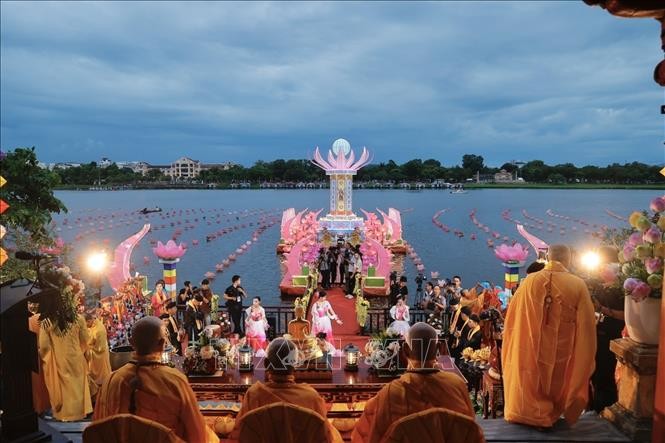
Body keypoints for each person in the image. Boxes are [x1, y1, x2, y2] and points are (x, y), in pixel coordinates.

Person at [502, 244, 596, 429]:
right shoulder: (577, 284)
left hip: (529, 343)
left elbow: (512, 318)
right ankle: (551, 413)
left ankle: (527, 413)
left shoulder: (528, 281)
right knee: (554, 379)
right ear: (569, 259)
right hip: (560, 346)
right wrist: (585, 352)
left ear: (548, 258)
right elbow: (587, 326)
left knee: (530, 375)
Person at [93, 317, 218, 442]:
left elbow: (97, 429)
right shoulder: (175, 381)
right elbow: (197, 433)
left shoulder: (110, 381)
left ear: (131, 342)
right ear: (162, 343)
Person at [352, 323, 476, 443]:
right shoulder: (457, 386)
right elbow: (471, 431)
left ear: (405, 350)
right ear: (438, 349)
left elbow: (364, 436)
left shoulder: (390, 394)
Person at [231, 338, 342, 442]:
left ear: (266, 364)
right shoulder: (311, 396)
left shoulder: (254, 394)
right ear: (295, 364)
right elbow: (325, 436)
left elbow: (239, 433)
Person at [587, 246, 624, 413]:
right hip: (596, 336)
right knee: (595, 376)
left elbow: (625, 316)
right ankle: (595, 408)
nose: (600, 269)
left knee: (605, 377)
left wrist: (601, 308)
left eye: (603, 265)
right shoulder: (600, 286)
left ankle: (605, 411)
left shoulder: (623, 289)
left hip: (612, 338)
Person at [39, 312, 92, 421]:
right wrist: (82, 352)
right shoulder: (78, 318)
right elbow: (85, 340)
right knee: (77, 385)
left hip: (59, 359)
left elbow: (44, 346)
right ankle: (79, 412)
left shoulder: (47, 321)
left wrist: (49, 357)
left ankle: (65, 414)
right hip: (76, 357)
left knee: (64, 387)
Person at [28, 301, 50, 415]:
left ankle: (39, 407)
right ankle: (46, 405)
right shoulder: (45, 319)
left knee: (37, 382)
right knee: (45, 380)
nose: (32, 306)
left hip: (33, 353)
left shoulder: (30, 321)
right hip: (45, 354)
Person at [85, 311, 112, 392]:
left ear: (89, 321)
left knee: (103, 378)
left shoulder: (99, 330)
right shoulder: (92, 326)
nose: (85, 326)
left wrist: (87, 348)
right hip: (94, 353)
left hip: (100, 356)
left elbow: (100, 348)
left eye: (85, 324)